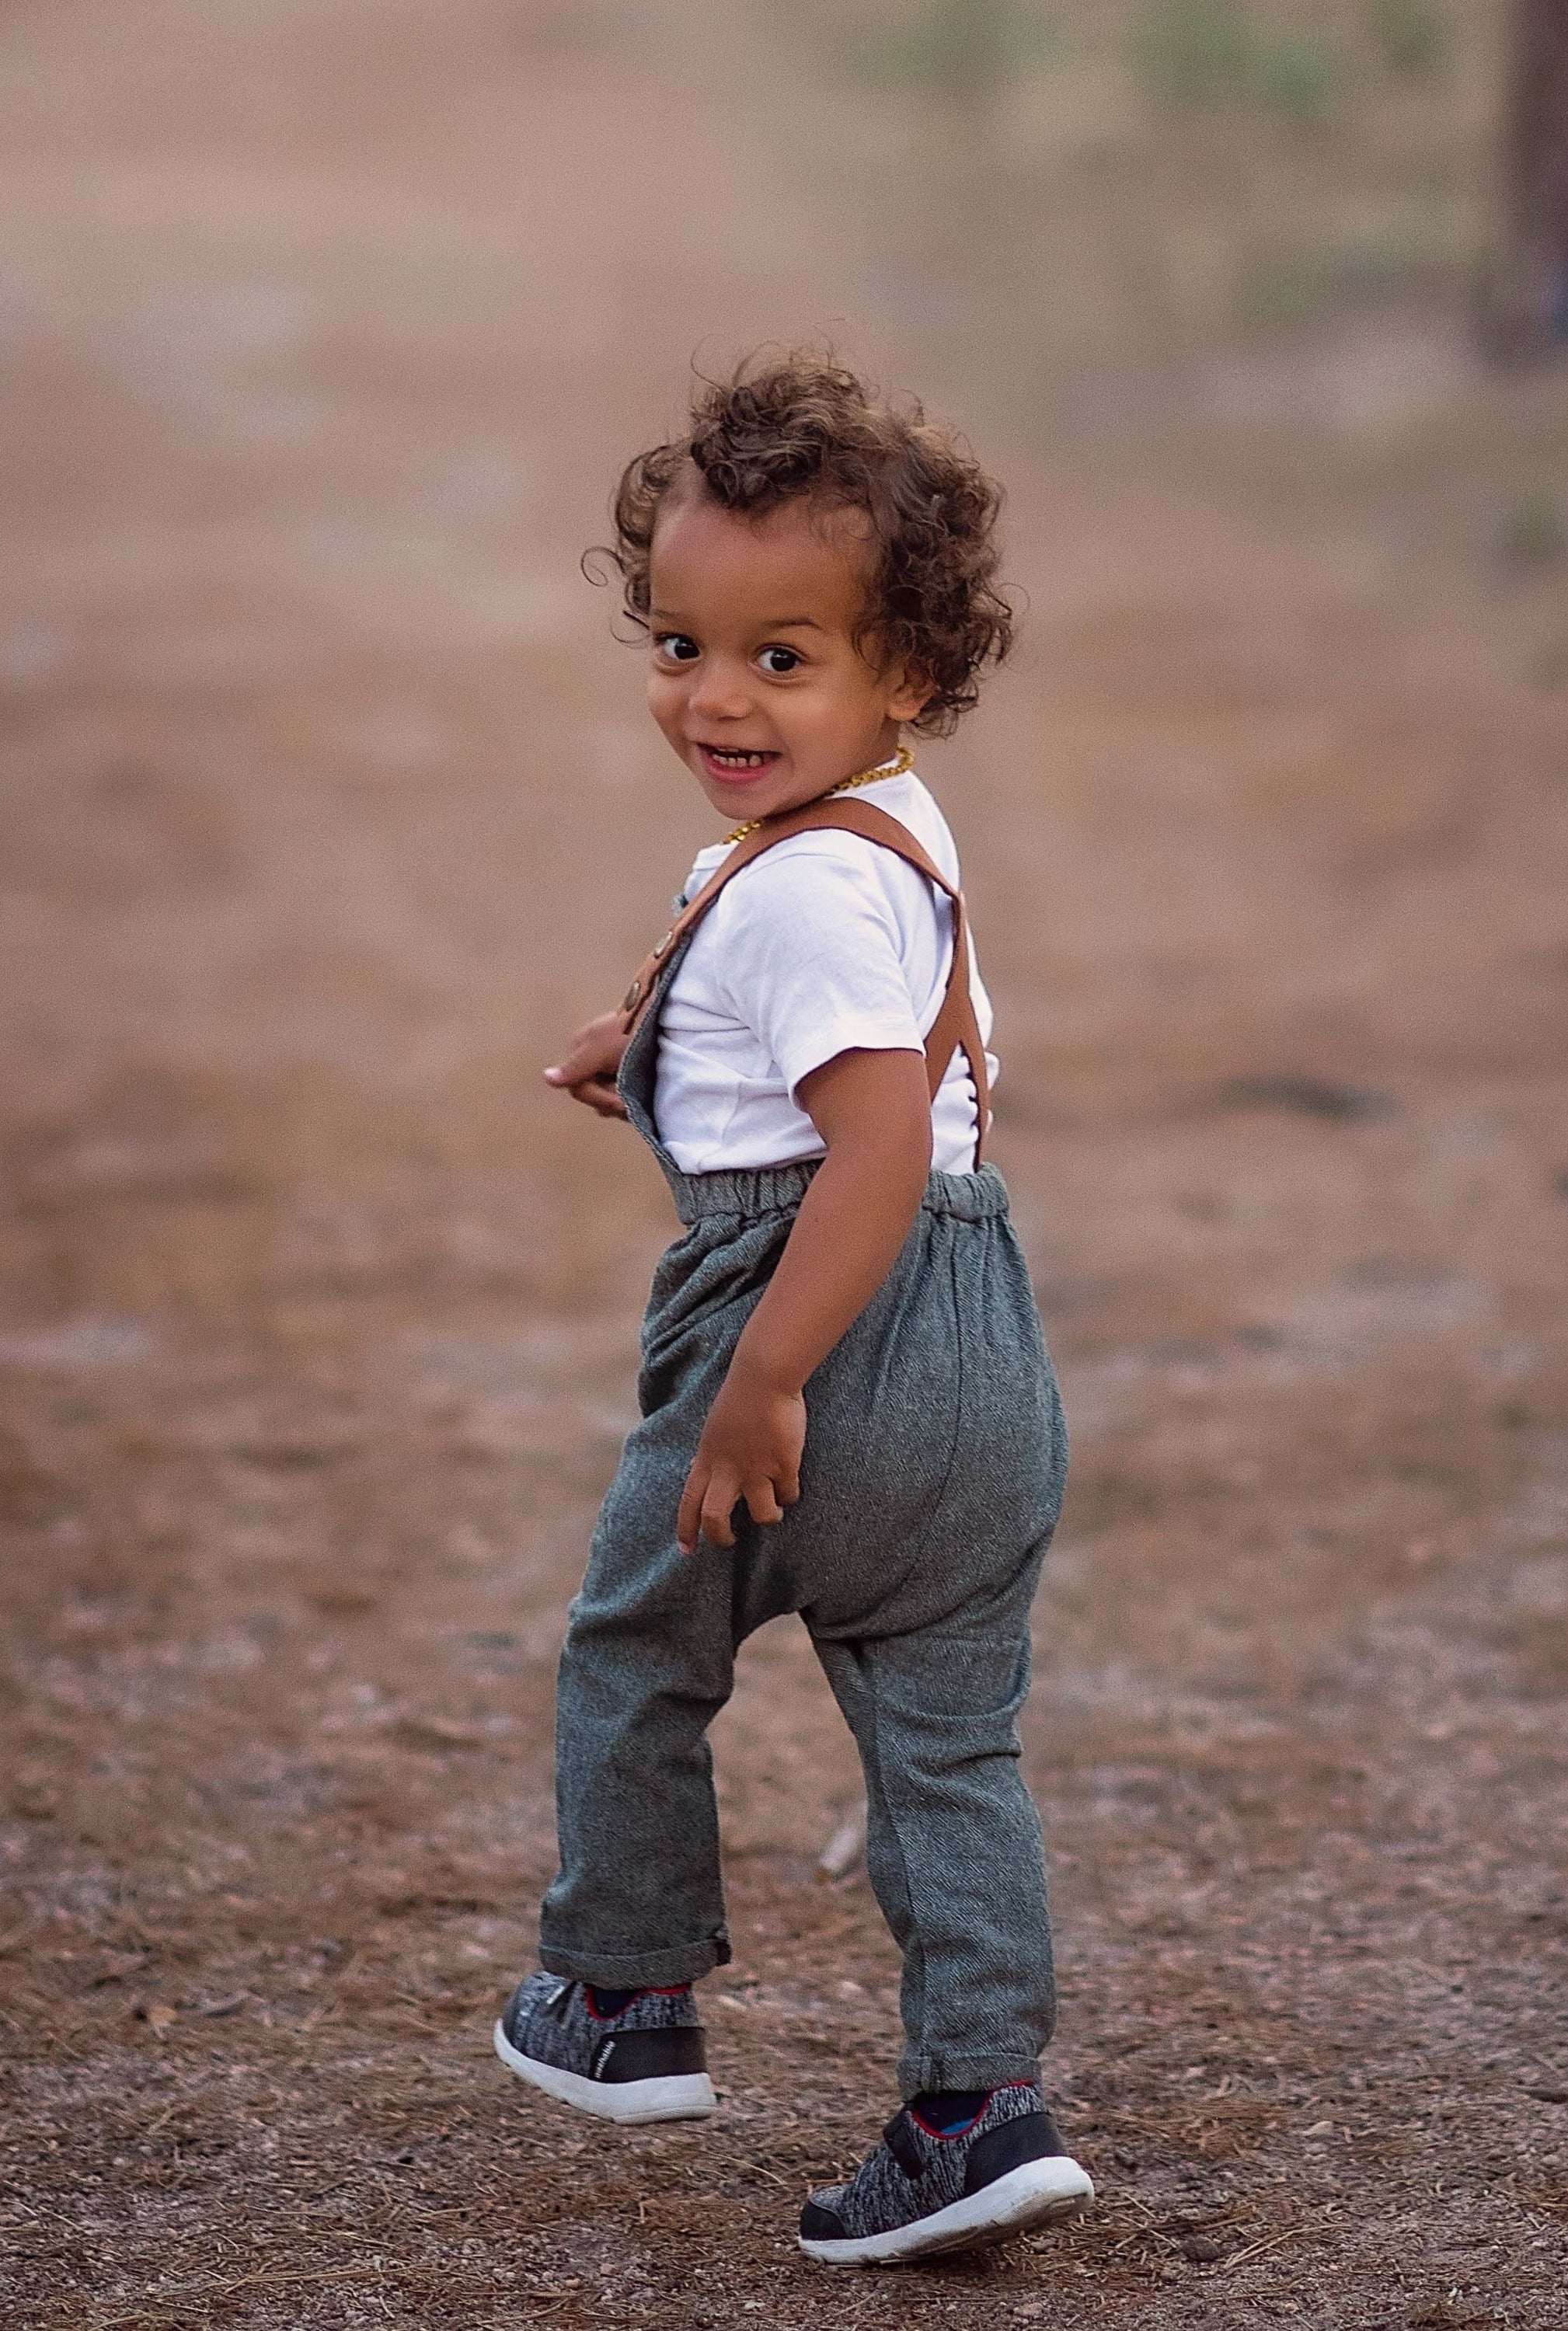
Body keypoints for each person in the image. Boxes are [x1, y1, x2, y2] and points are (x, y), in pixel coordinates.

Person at [492, 355, 1091, 2267]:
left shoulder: (798, 895)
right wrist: (656, 1041)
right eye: (684, 641)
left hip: (819, 1315)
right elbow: (912, 1055)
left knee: (635, 1647)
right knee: (947, 1745)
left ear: (904, 668)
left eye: (784, 656)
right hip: (984, 1361)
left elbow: (874, 1145)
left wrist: (764, 1382)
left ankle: (623, 1994)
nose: (716, 697)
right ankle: (977, 2106)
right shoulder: (884, 836)